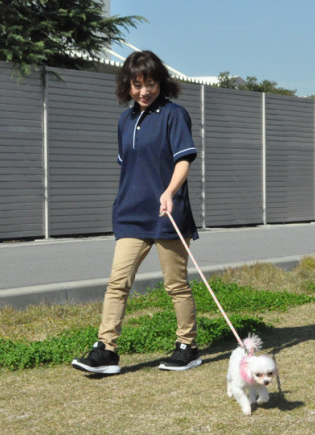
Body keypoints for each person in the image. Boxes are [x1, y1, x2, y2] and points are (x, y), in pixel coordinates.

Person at [72, 50, 201, 375]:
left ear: (161, 83)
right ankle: (106, 350)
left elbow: (183, 159)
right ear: (127, 85)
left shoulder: (174, 114)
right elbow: (129, 167)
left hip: (168, 213)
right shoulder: (124, 120)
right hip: (131, 215)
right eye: (137, 84)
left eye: (151, 83)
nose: (144, 91)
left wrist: (170, 192)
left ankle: (188, 346)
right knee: (118, 282)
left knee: (175, 285)